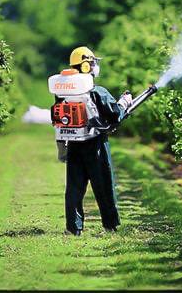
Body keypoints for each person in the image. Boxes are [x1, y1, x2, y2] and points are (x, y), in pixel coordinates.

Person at [59, 46, 132, 236]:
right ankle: (110, 225)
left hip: (74, 144)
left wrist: (61, 148)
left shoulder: (63, 93)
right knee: (103, 186)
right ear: (84, 66)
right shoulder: (97, 91)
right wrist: (124, 102)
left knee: (74, 188)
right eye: (92, 63)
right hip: (96, 145)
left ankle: (73, 228)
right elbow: (115, 115)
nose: (94, 66)